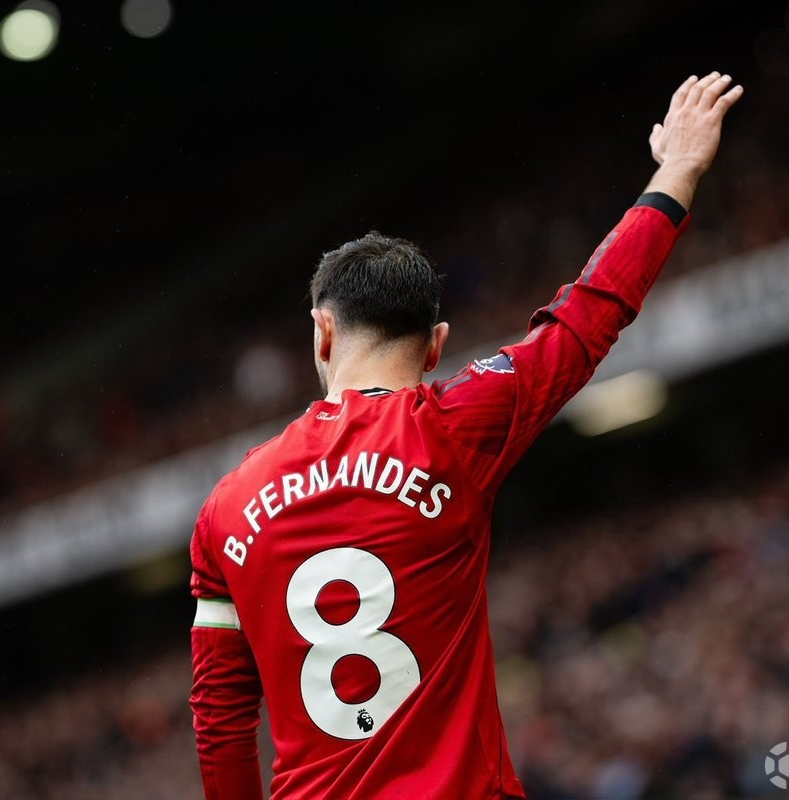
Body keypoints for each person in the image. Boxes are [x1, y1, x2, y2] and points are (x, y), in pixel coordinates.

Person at [189, 72, 744, 799]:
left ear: (322, 333)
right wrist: (676, 173)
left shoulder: (225, 509)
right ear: (436, 346)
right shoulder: (453, 428)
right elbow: (585, 316)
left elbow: (220, 718)